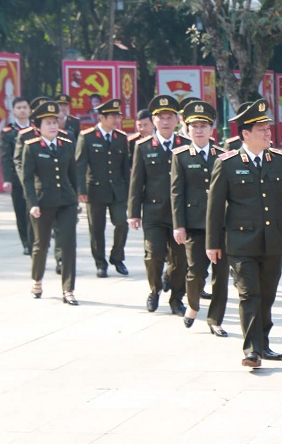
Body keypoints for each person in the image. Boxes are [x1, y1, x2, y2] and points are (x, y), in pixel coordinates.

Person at [206, 100, 282, 368]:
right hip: (240, 242)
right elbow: (215, 205)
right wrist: (212, 243)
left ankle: (263, 342)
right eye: (262, 129)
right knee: (249, 294)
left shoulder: (279, 161)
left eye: (269, 129)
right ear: (245, 133)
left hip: (272, 241)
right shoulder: (228, 163)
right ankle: (252, 350)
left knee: (266, 295)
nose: (268, 134)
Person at [171, 99, 230, 337]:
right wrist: (179, 225)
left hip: (221, 224)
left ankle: (216, 319)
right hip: (194, 224)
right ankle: (194, 305)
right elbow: (176, 191)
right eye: (194, 126)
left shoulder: (223, 155)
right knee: (195, 272)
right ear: (187, 129)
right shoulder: (181, 156)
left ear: (211, 129)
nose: (198, 130)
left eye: (203, 125)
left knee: (221, 275)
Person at [129, 94, 190, 315]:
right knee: (153, 255)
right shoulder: (143, 146)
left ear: (177, 120)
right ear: (153, 120)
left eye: (170, 117)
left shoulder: (186, 146)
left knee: (179, 261)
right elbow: (136, 183)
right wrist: (133, 213)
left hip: (180, 214)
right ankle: (154, 290)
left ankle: (176, 299)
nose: (165, 122)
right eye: (161, 117)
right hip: (154, 212)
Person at [19, 99, 80, 305]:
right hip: (43, 202)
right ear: (38, 127)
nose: (53, 126)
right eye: (48, 123)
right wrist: (32, 203)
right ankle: (37, 279)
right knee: (41, 244)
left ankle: (68, 289)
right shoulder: (32, 147)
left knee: (68, 244)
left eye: (55, 122)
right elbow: (27, 179)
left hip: (66, 201)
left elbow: (73, 175)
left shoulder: (67, 145)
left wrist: (76, 198)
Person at [75, 98, 132, 278]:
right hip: (95, 190)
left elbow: (125, 168)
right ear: (101, 117)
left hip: (118, 190)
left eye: (118, 116)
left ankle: (117, 257)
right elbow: (80, 165)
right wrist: (81, 190)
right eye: (113, 116)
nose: (117, 120)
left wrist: (130, 191)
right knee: (96, 229)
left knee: (122, 223)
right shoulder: (87, 137)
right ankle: (100, 262)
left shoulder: (121, 138)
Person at [0, 95, 34, 253]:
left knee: (34, 210)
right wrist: (7, 179)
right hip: (17, 178)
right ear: (13, 111)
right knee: (21, 211)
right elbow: (5, 158)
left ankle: (36, 239)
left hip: (35, 177)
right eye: (18, 108)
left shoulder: (37, 129)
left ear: (30, 110)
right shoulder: (8, 132)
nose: (22, 111)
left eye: (24, 107)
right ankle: (26, 243)